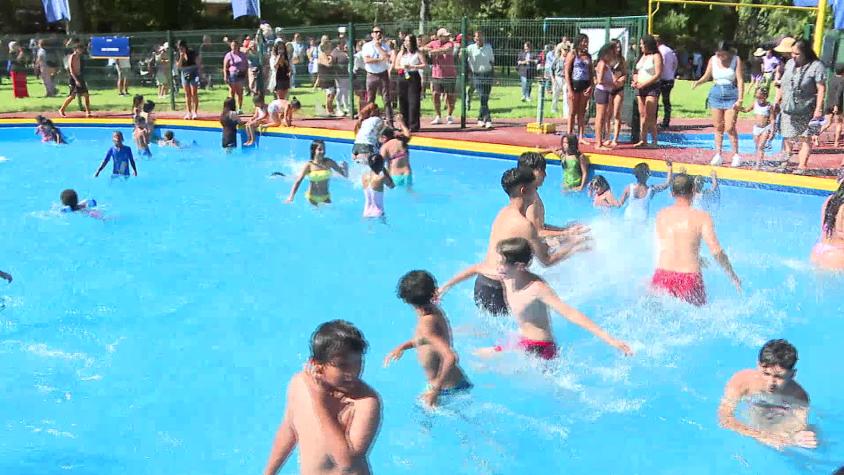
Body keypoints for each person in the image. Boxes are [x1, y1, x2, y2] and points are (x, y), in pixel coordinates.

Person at [447, 238, 633, 361]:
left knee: (476, 359)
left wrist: (611, 340)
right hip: (520, 341)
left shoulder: (537, 288)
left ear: (519, 266)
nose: (498, 267)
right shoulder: (507, 275)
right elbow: (476, 268)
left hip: (540, 350)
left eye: (503, 262)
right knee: (476, 357)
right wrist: (443, 288)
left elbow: (570, 313)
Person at [438, 167, 589, 316]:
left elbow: (486, 264)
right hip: (500, 291)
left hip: (482, 284)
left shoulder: (503, 214)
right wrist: (574, 246)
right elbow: (546, 261)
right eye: (535, 188)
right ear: (524, 191)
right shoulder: (524, 225)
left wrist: (446, 285)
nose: (537, 193)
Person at [262, 320, 381, 475]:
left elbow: (346, 462)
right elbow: (290, 429)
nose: (352, 372)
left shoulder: (366, 402)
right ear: (317, 364)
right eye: (342, 365)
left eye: (358, 362)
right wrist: (269, 472)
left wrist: (319, 403)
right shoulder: (300, 384)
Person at [386, 270, 472, 407]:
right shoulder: (433, 310)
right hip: (449, 385)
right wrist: (403, 346)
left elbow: (450, 357)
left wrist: (435, 391)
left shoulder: (426, 324)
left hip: (446, 390)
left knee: (422, 423)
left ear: (407, 301)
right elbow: (428, 340)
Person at [652, 173, 740, 305]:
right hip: (689, 279)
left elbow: (671, 246)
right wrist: (733, 277)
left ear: (671, 193)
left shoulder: (661, 215)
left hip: (662, 276)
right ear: (693, 191)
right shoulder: (702, 217)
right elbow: (716, 251)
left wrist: (697, 258)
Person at [718, 339, 817, 450]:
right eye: (766, 374)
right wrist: (765, 437)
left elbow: (798, 426)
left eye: (779, 377)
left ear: (792, 374)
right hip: (754, 411)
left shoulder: (798, 396)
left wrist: (793, 437)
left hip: (779, 416)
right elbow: (725, 419)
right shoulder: (742, 381)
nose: (771, 383)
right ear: (758, 366)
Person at [775, 39, 826, 173]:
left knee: (806, 137)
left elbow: (821, 88)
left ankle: (802, 165)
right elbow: (783, 84)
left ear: (805, 53)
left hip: (807, 107)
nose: (793, 56)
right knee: (787, 135)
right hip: (788, 106)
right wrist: (777, 100)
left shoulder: (817, 66)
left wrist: (819, 109)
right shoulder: (790, 64)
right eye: (792, 53)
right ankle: (784, 163)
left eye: (797, 54)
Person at [693, 41, 744, 167]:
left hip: (731, 94)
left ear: (728, 52)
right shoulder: (713, 60)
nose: (720, 57)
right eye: (718, 54)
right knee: (718, 127)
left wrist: (740, 99)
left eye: (723, 55)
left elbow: (740, 80)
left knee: (730, 127)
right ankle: (718, 154)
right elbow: (707, 76)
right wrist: (698, 82)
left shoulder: (736, 60)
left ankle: (736, 155)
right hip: (716, 94)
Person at [520, 151, 589, 239]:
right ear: (531, 171)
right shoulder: (529, 199)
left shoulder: (532, 193)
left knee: (582, 237)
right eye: (542, 170)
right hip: (530, 246)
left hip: (534, 241)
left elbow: (539, 226)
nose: (545, 175)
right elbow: (537, 233)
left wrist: (564, 230)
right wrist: (568, 233)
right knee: (584, 243)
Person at [286, 140, 349, 206]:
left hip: (326, 197)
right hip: (312, 198)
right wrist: (291, 197)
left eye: (324, 149)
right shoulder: (309, 165)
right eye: (320, 149)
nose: (323, 151)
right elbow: (298, 181)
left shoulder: (329, 162)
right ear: (314, 150)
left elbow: (344, 175)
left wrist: (345, 167)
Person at [632, 35, 663, 147]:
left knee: (650, 115)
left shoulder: (656, 56)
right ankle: (643, 139)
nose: (640, 46)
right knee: (642, 114)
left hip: (652, 87)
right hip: (640, 88)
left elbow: (658, 74)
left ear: (648, 44)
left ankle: (654, 140)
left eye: (642, 44)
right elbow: (635, 71)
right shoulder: (641, 56)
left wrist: (644, 84)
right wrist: (635, 81)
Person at [423, 28, 457, 125]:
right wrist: (433, 50)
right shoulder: (434, 43)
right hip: (436, 75)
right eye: (445, 35)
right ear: (439, 37)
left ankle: (449, 115)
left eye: (447, 35)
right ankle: (438, 116)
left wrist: (433, 51)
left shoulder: (450, 43)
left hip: (450, 75)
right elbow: (422, 49)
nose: (447, 37)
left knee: (450, 96)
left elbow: (446, 50)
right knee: (435, 95)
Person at [393, 34, 425, 132]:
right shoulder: (401, 53)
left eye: (408, 41)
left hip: (413, 76)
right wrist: (403, 67)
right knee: (403, 100)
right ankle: (404, 124)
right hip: (402, 76)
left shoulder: (417, 52)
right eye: (405, 41)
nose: (406, 43)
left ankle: (414, 125)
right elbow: (396, 66)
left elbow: (424, 64)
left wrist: (414, 66)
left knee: (414, 101)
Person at [564, 34, 594, 143]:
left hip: (585, 85)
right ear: (579, 42)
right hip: (574, 85)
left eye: (587, 41)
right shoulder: (572, 54)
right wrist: (570, 89)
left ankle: (581, 136)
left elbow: (591, 73)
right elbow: (566, 72)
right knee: (572, 112)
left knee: (582, 112)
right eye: (584, 41)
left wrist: (591, 86)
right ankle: (569, 135)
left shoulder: (588, 56)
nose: (585, 44)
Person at [361, 26, 394, 124]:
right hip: (371, 75)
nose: (378, 34)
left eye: (380, 32)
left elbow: (388, 57)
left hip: (383, 74)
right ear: (372, 34)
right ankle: (368, 121)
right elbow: (367, 60)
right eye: (376, 32)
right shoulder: (366, 46)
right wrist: (379, 59)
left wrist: (378, 47)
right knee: (370, 99)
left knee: (387, 99)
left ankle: (390, 122)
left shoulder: (385, 45)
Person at [811, 181, 844, 270]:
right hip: (838, 256)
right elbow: (841, 232)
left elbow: (824, 227)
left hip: (819, 250)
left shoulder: (830, 200)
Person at [740, 86, 774, 169]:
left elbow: (772, 119)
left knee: (760, 146)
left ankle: (758, 164)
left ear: (765, 96)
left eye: (761, 97)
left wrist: (772, 131)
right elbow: (746, 110)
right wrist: (737, 107)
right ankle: (758, 161)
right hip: (756, 128)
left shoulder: (769, 106)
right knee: (757, 146)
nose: (759, 99)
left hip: (765, 128)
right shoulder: (754, 103)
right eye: (757, 97)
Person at [466, 31, 494, 128]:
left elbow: (491, 61)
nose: (479, 39)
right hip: (477, 75)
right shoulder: (470, 48)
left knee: (485, 98)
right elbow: (464, 58)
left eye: (481, 37)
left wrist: (494, 76)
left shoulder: (488, 47)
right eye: (477, 37)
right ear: (474, 38)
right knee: (482, 96)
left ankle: (480, 118)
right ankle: (488, 119)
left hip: (488, 74)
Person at [58, 42, 91, 118]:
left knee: (86, 95)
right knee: (72, 96)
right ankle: (62, 109)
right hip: (73, 78)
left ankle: (88, 111)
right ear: (76, 49)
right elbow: (71, 70)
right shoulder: (72, 57)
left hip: (80, 77)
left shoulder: (79, 57)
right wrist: (76, 80)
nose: (81, 51)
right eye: (80, 49)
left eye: (82, 49)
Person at [594, 44, 616, 150]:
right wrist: (611, 83)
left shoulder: (606, 64)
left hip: (605, 91)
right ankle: (598, 143)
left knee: (603, 117)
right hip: (601, 91)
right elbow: (600, 80)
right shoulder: (602, 63)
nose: (613, 55)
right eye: (611, 53)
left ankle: (600, 141)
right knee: (600, 117)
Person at [607, 39, 628, 148]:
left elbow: (625, 73)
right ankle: (607, 137)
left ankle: (615, 138)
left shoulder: (622, 60)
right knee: (608, 113)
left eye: (619, 47)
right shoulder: (607, 59)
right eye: (616, 47)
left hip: (619, 88)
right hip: (609, 88)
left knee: (616, 113)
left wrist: (620, 80)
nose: (618, 49)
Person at [361, 154, 395, 220]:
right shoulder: (381, 178)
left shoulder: (364, 176)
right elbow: (392, 186)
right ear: (381, 165)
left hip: (366, 212)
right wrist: (384, 169)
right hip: (378, 213)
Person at [380, 120, 412, 188]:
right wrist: (402, 123)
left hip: (395, 176)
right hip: (408, 173)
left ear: (384, 137)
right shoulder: (402, 141)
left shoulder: (385, 147)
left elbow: (379, 164)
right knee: (409, 191)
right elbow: (408, 134)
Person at [656, 36, 677, 129]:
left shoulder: (659, 52)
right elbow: (675, 63)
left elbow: (660, 65)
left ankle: (653, 120)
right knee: (666, 100)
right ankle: (666, 120)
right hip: (670, 78)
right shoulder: (670, 50)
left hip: (661, 78)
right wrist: (672, 72)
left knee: (655, 100)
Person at [223, 39, 248, 114]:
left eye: (235, 45)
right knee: (232, 92)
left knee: (240, 92)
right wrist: (225, 76)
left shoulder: (242, 55)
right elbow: (225, 67)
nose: (234, 47)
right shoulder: (228, 55)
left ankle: (239, 108)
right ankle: (232, 108)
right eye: (232, 45)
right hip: (232, 75)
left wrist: (246, 74)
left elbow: (246, 65)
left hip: (241, 75)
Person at [176, 40, 200, 120]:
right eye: (179, 48)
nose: (181, 49)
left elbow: (198, 63)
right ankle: (188, 112)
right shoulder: (178, 54)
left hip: (193, 72)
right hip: (184, 72)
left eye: (182, 48)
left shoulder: (192, 52)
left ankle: (195, 112)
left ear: (185, 46)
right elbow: (178, 66)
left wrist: (199, 73)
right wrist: (181, 57)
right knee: (187, 93)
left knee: (194, 92)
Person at [332, 39, 352, 117]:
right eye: (343, 43)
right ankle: (338, 108)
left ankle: (346, 107)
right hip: (339, 76)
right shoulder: (334, 53)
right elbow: (332, 65)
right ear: (338, 44)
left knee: (346, 92)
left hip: (346, 75)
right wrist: (335, 76)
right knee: (340, 91)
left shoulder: (345, 52)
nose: (344, 45)